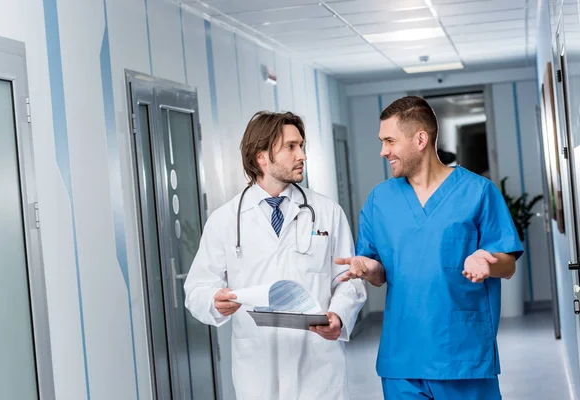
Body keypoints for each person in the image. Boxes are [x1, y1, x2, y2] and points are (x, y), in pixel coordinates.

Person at [337, 96, 523, 400]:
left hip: (462, 355)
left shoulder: (478, 192)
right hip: (402, 358)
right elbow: (377, 268)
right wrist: (370, 270)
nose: (383, 151)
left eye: (390, 141)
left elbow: (508, 263)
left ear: (420, 139)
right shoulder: (379, 200)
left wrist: (487, 263)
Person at [184, 110, 366, 400]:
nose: (302, 155)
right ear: (262, 157)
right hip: (258, 368)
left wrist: (340, 317)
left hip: (317, 364)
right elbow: (197, 288)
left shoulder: (327, 211)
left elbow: (350, 280)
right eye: (291, 147)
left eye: (301, 145)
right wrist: (214, 301)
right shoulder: (225, 219)